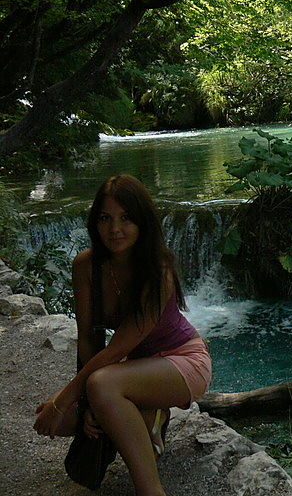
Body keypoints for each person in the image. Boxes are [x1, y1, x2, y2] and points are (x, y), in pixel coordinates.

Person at [33, 174, 212, 496]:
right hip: (136, 367)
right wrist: (83, 405)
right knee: (55, 419)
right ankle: (147, 417)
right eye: (105, 218)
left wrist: (67, 399)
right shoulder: (86, 265)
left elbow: (116, 349)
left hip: (182, 360)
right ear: (94, 222)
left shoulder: (158, 269)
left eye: (126, 218)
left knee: (98, 387)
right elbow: (88, 338)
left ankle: (151, 490)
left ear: (143, 221)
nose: (115, 229)